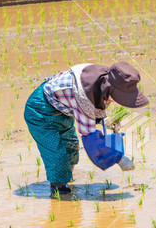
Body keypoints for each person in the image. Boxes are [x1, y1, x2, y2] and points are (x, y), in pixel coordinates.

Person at [24, 61, 149, 195]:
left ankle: (67, 177)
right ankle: (59, 189)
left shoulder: (102, 80)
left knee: (71, 145)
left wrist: (104, 119)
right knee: (57, 154)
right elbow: (91, 140)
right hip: (39, 111)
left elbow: (97, 102)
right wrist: (118, 158)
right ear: (109, 88)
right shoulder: (83, 96)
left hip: (62, 110)